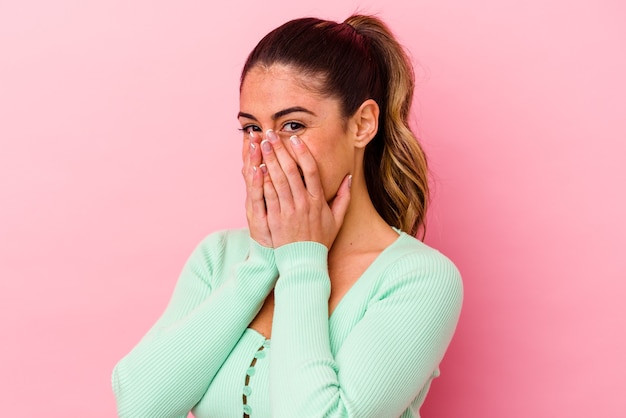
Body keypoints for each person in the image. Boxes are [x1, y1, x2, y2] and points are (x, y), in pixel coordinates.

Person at [112, 14, 463, 418]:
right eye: (251, 130)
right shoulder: (218, 258)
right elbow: (138, 407)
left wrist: (301, 259)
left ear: (363, 124)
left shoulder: (418, 279)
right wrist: (261, 262)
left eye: (292, 125)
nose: (266, 150)